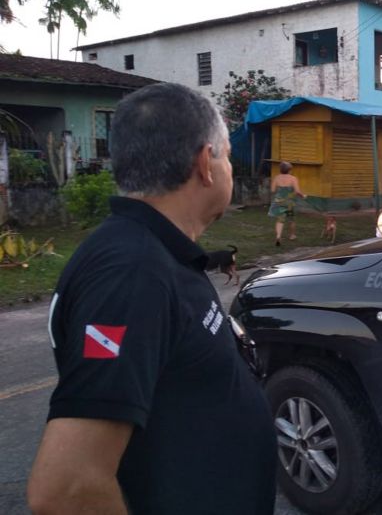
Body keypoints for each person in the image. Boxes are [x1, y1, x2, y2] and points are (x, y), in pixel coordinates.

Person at [27, 83, 277, 515]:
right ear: (206, 164)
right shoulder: (131, 272)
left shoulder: (157, 253)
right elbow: (66, 489)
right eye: (228, 157)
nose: (231, 170)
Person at [268, 161, 305, 246]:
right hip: (289, 202)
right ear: (289, 170)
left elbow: (273, 190)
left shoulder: (277, 178)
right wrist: (303, 195)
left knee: (280, 220)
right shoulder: (293, 178)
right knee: (291, 219)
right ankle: (292, 235)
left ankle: (278, 236)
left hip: (279, 201)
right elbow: (297, 191)